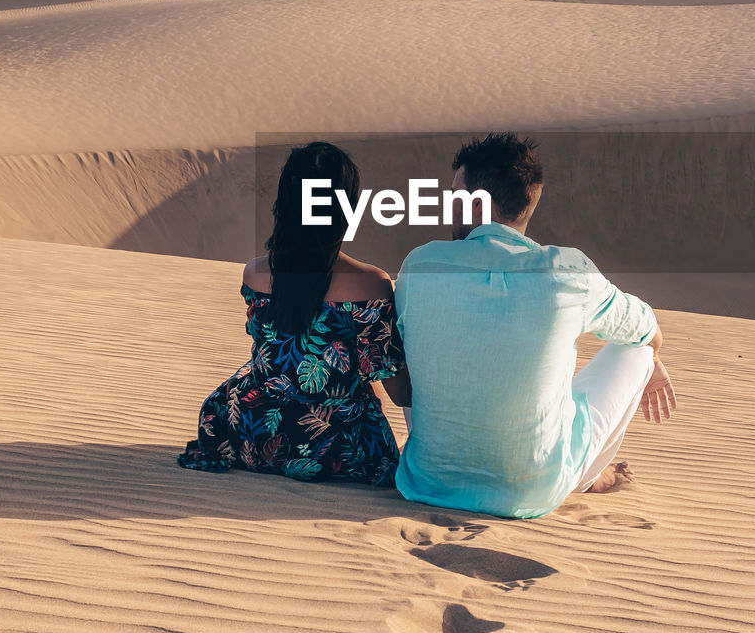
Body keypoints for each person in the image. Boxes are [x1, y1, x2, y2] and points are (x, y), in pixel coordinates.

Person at [393, 133, 676, 519]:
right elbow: (646, 327)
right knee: (638, 351)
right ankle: (588, 476)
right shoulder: (568, 272)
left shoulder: (420, 265)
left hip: (428, 481)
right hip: (530, 492)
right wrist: (653, 355)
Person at [178, 142, 410, 486]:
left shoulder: (254, 274)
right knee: (368, 400)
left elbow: (279, 360)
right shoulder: (370, 285)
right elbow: (400, 392)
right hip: (332, 446)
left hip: (252, 433)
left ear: (283, 205)